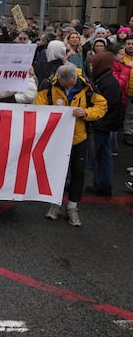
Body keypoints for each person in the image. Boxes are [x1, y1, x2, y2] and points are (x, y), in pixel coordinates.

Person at [36, 63, 107, 226]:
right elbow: (38, 107)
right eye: (64, 85)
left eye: (71, 85)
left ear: (75, 79)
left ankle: (73, 207)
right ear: (58, 79)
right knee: (56, 173)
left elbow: (102, 105)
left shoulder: (87, 85)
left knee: (78, 173)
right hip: (56, 138)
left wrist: (86, 113)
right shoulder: (47, 85)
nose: (68, 88)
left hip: (79, 138)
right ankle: (55, 205)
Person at [86, 52, 122, 196]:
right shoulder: (106, 79)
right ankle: (104, 185)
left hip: (102, 124)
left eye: (93, 63)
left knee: (99, 155)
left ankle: (101, 184)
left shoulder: (107, 82)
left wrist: (97, 121)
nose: (91, 66)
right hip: (106, 124)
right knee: (104, 155)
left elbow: (105, 106)